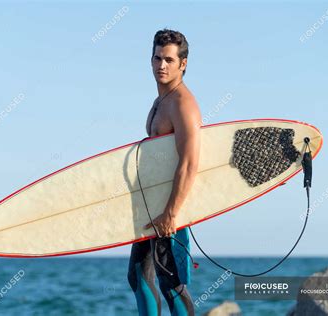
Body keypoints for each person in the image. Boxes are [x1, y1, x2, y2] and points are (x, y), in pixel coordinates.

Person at [127, 29, 201, 316]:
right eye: (157, 58)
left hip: (170, 210)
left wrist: (171, 213)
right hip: (150, 206)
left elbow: (190, 163)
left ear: (182, 64)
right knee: (138, 276)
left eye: (169, 59)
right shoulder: (161, 100)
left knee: (171, 284)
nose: (161, 65)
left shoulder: (183, 104)